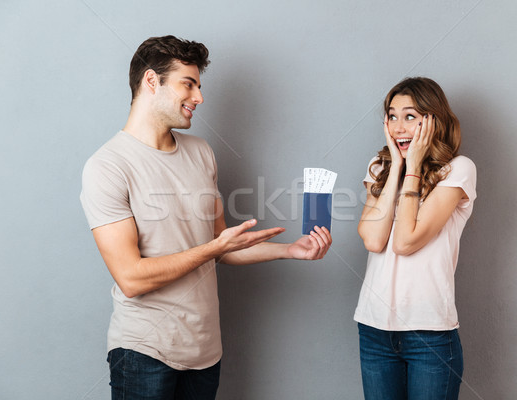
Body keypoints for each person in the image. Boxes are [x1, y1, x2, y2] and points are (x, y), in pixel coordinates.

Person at [80, 35, 332, 400]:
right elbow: (131, 278)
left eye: (199, 85)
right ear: (152, 81)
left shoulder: (201, 152)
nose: (199, 97)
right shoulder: (108, 166)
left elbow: (222, 248)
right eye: (189, 84)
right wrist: (214, 246)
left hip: (204, 352)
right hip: (143, 352)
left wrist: (290, 250)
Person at [354, 77, 476, 399]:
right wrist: (395, 167)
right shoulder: (379, 167)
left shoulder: (458, 170)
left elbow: (405, 241)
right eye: (392, 116)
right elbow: (373, 240)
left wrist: (414, 167)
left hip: (430, 334)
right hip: (374, 329)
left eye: (410, 116)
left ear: (434, 120)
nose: (398, 126)